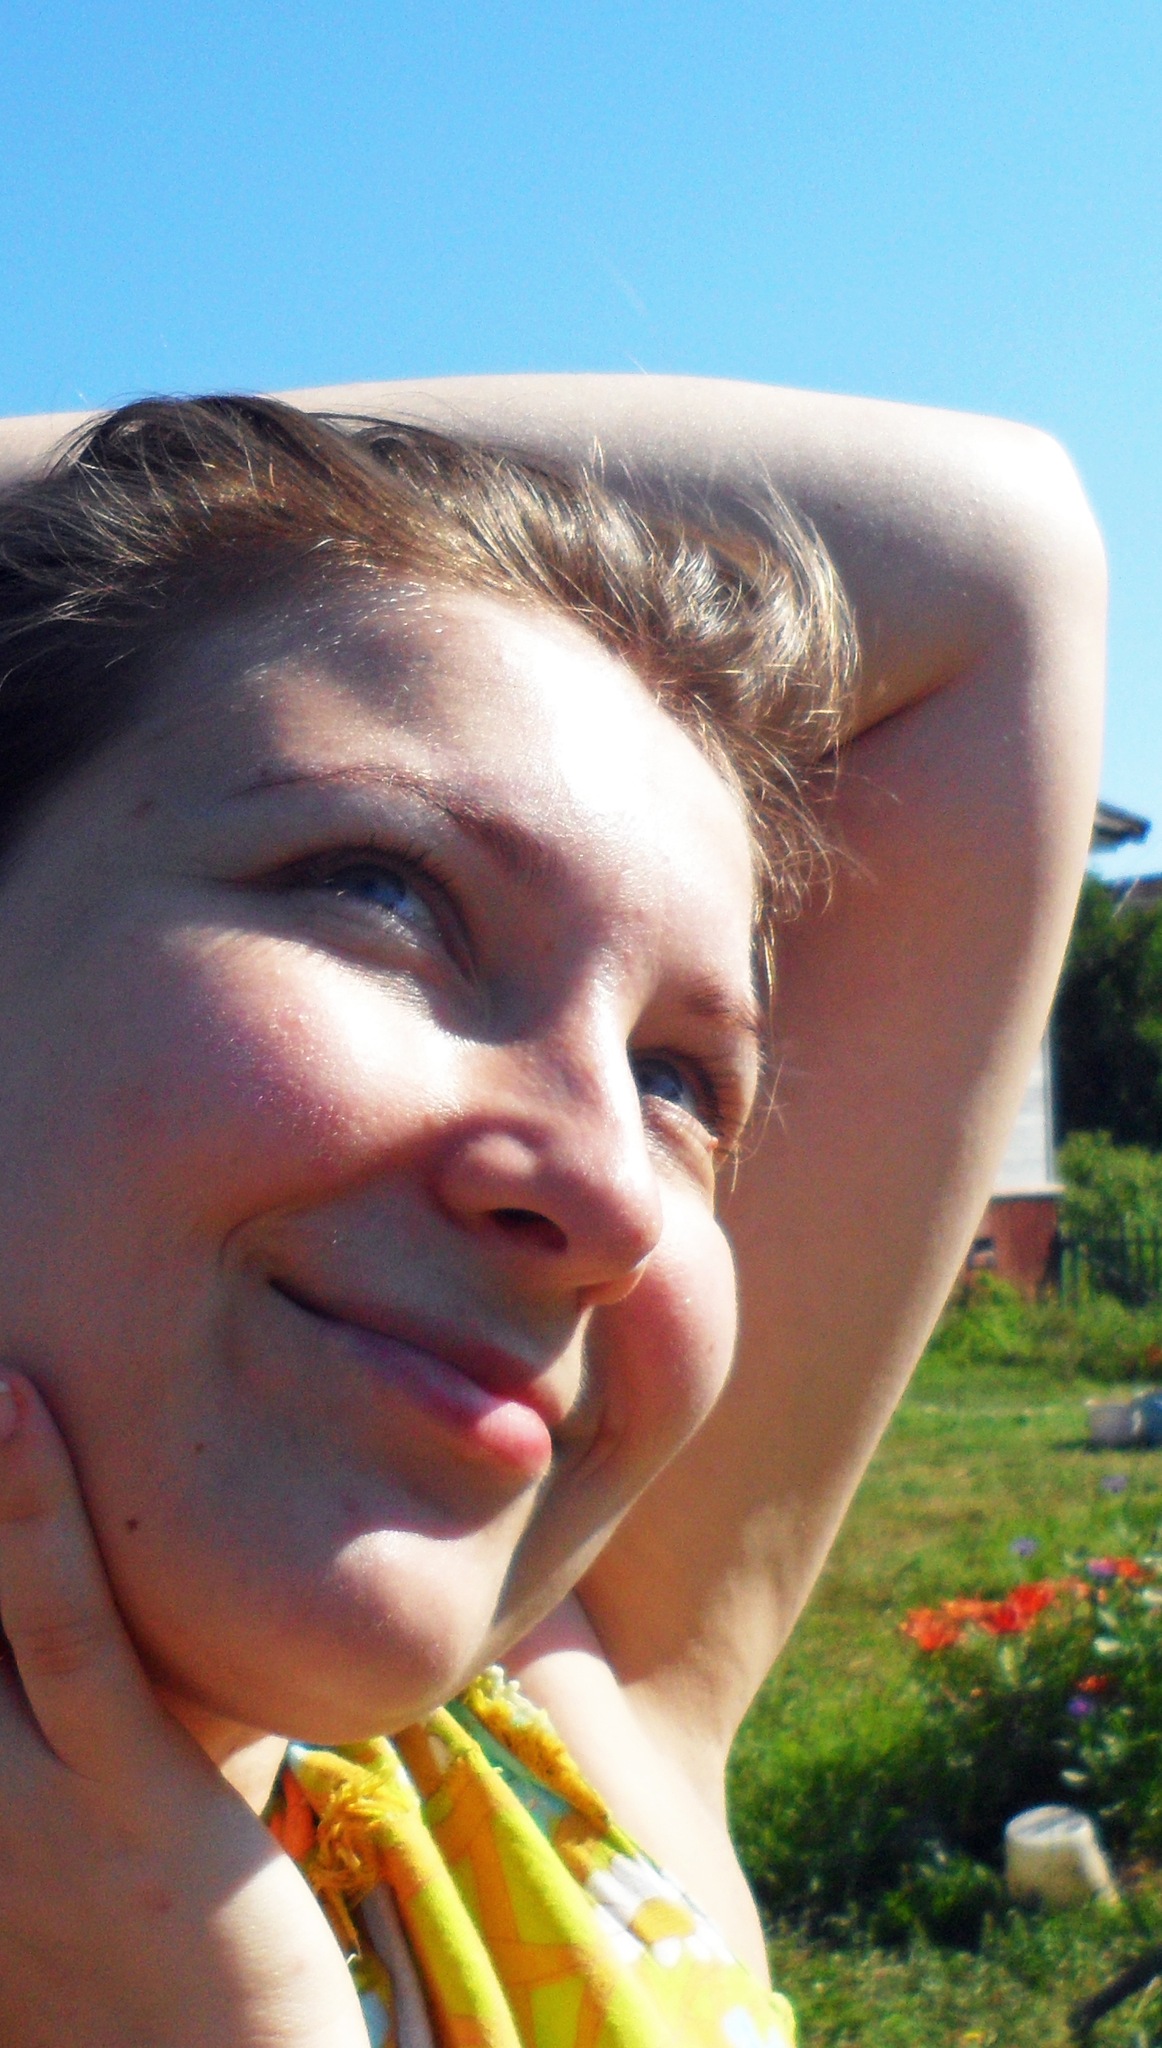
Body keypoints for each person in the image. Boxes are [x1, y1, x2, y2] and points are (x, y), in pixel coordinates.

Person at [0, 376, 1104, 2046]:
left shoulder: (573, 1756)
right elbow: (994, 564)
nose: (607, 1188)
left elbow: (1002, 560)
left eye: (682, 1083)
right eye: (384, 889)